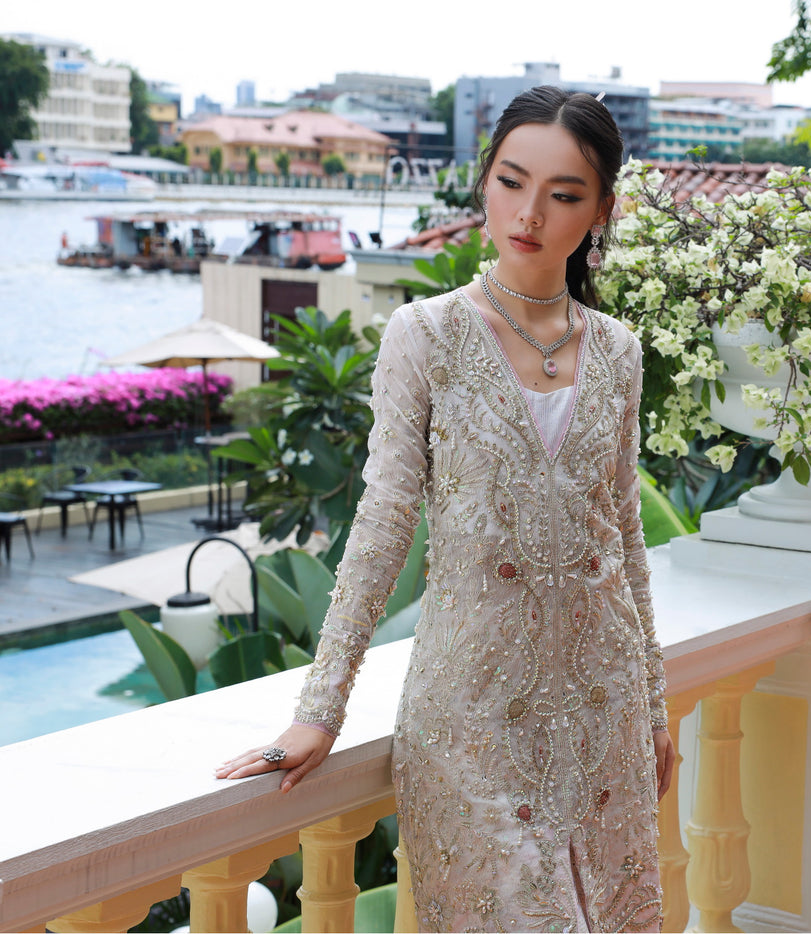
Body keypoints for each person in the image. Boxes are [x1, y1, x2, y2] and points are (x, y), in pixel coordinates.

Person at [215, 86, 675, 933]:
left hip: (604, 713)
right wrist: (320, 709)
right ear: (484, 181)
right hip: (472, 718)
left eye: (564, 194)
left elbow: (624, 534)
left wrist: (651, 705)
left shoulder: (617, 350)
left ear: (601, 211)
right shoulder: (425, 334)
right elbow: (385, 519)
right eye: (511, 181)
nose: (529, 214)